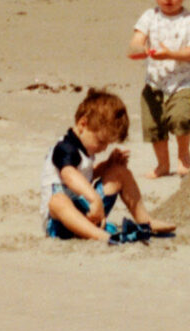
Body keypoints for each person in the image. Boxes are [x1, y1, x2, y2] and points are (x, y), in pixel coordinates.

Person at [43, 89, 170, 241]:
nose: (104, 148)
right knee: (58, 201)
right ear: (83, 124)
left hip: (89, 212)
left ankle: (145, 220)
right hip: (60, 222)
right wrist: (95, 199)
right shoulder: (65, 148)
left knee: (120, 172)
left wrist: (108, 165)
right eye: (101, 141)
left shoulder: (86, 151)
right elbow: (69, 175)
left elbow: (86, 174)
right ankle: (99, 235)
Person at [128, 0, 190, 179]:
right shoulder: (149, 16)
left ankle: (183, 155)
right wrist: (138, 49)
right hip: (154, 83)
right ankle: (162, 164)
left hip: (182, 83)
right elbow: (136, 40)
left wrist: (170, 54)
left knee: (180, 119)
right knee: (154, 127)